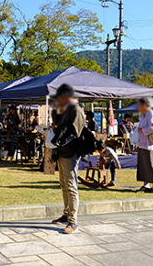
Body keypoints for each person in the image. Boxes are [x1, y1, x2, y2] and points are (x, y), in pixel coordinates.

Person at [50, 84, 87, 234]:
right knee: (64, 183)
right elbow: (58, 124)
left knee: (71, 185)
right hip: (62, 151)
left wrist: (58, 136)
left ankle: (73, 220)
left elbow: (73, 132)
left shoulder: (76, 111)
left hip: (71, 151)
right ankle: (66, 214)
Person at [136, 98, 153, 193]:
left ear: (145, 105)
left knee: (150, 165)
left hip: (149, 145)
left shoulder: (150, 113)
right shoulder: (143, 115)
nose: (139, 107)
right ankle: (146, 184)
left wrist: (142, 130)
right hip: (142, 144)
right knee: (143, 165)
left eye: (140, 105)